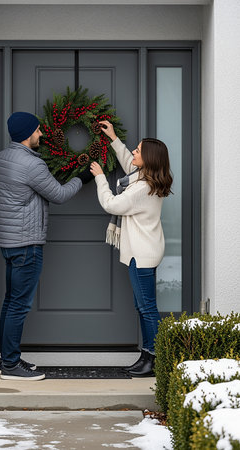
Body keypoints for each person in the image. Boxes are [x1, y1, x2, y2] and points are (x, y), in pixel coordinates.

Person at [0, 111, 93, 381]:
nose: (42, 135)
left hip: (9, 242)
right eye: (38, 130)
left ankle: (7, 359)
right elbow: (59, 195)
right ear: (27, 135)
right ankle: (11, 365)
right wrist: (82, 178)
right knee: (18, 306)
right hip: (27, 244)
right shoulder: (31, 165)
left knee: (10, 303)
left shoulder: (4, 157)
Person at [90, 120, 173, 377]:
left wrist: (100, 178)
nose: (134, 153)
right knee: (143, 306)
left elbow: (112, 205)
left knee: (147, 308)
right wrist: (113, 138)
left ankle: (156, 359)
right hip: (147, 249)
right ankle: (147, 354)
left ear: (148, 159)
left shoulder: (141, 188)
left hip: (142, 254)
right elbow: (129, 163)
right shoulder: (145, 178)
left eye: (138, 150)